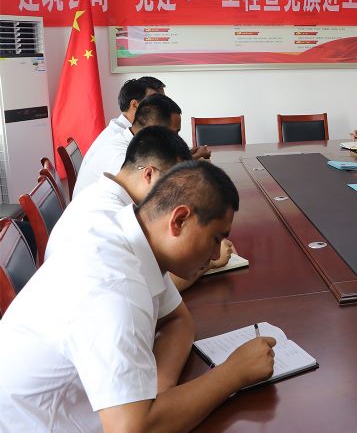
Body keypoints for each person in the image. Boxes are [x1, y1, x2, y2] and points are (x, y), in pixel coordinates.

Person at [0, 161, 277, 432]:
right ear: (179, 220)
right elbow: (132, 429)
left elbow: (178, 320)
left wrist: (158, 397)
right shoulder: (116, 284)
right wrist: (233, 373)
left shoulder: (132, 237)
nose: (217, 254)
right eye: (216, 238)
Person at [46, 126, 234, 291]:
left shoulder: (114, 199)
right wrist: (207, 262)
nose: (179, 195)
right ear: (149, 174)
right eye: (174, 184)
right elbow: (153, 287)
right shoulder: (111, 219)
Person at [74, 93, 182, 196]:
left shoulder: (131, 140)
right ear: (154, 129)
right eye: (174, 133)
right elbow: (154, 197)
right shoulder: (122, 157)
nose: (177, 139)